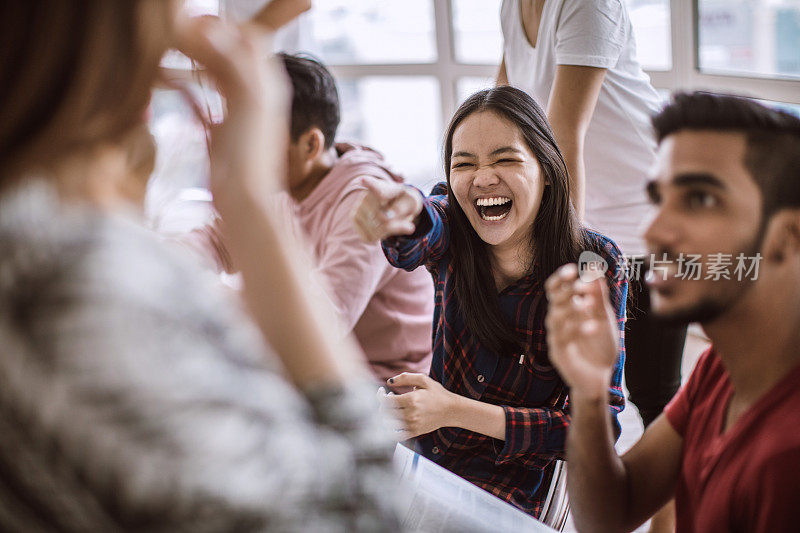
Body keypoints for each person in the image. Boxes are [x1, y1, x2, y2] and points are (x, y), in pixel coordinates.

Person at [0, 3, 402, 531]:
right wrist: (245, 198)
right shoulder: (71, 279)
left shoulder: (358, 195)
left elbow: (332, 310)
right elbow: (362, 512)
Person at [353, 85, 628, 517]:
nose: (482, 178)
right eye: (464, 164)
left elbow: (598, 429)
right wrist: (404, 206)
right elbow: (420, 228)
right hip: (426, 455)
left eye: (505, 159)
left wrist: (452, 410)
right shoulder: (454, 225)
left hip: (512, 485)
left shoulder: (594, 263)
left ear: (548, 169)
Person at [545, 92, 800, 532]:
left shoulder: (787, 459)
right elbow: (612, 513)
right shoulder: (719, 369)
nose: (651, 230)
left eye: (700, 199)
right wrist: (588, 389)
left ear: (789, 235)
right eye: (659, 198)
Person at [498, 5, 687, 526]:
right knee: (594, 386)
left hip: (646, 218)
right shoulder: (512, 9)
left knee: (657, 397)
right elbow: (500, 115)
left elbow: (563, 133)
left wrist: (568, 261)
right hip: (593, 217)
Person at [278, 53, 434, 382]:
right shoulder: (284, 186)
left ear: (310, 145)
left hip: (392, 385)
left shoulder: (364, 202)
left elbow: (323, 321)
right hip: (334, 371)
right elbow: (216, 238)